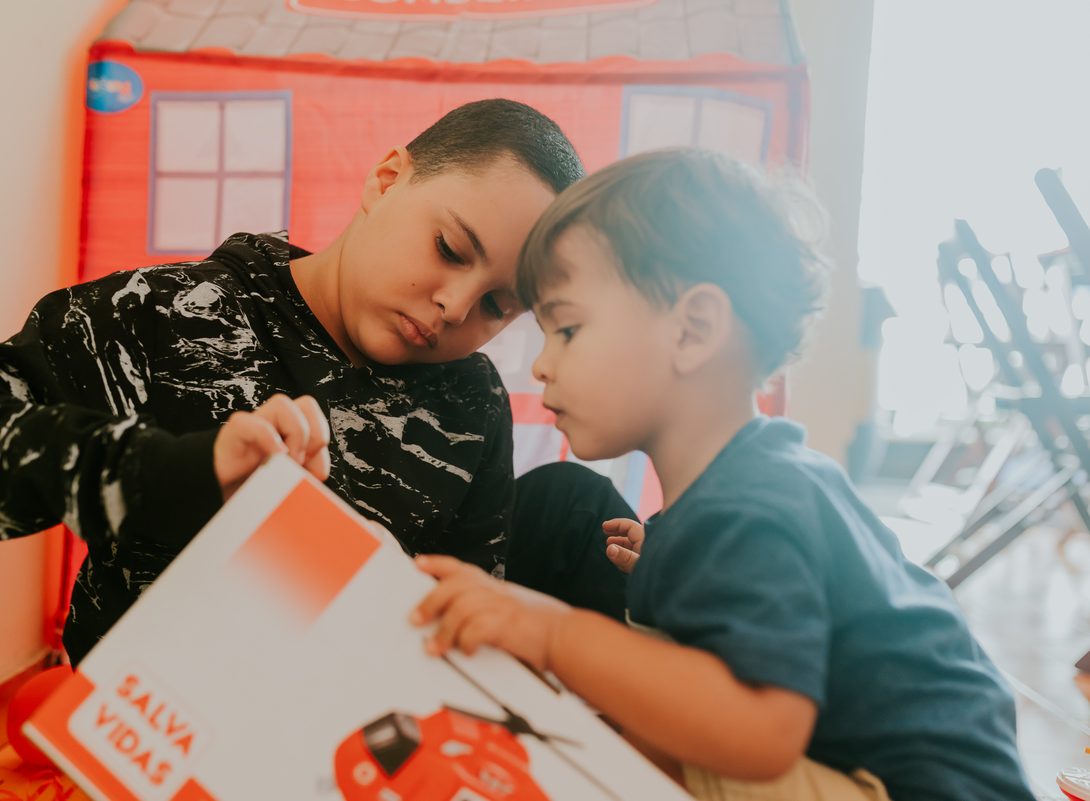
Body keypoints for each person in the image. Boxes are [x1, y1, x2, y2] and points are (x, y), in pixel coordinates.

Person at [0, 99, 628, 665]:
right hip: (147, 740)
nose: (456, 306)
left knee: (575, 505)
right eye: (449, 248)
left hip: (349, 747)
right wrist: (174, 471)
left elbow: (458, 626)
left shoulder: (471, 400)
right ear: (387, 179)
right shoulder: (168, 314)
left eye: (499, 306)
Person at [410, 149, 1035, 801]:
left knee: (643, 757)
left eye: (566, 328)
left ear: (694, 330)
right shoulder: (744, 490)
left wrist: (553, 633)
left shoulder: (753, 506)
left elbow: (762, 731)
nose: (541, 365)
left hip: (921, 789)